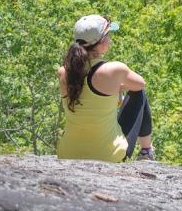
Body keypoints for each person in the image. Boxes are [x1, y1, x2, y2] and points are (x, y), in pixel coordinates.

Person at [56, 14, 155, 162]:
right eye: (108, 35)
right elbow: (140, 84)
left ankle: (147, 152)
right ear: (101, 43)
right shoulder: (114, 70)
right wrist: (118, 87)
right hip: (108, 156)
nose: (110, 39)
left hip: (67, 154)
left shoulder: (64, 72)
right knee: (139, 93)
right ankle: (146, 151)